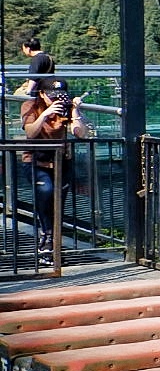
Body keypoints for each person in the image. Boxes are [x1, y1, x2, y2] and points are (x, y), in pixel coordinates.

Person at [21, 78, 93, 262]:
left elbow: (81, 133)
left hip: (61, 162)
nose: (55, 101)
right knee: (46, 192)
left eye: (59, 97)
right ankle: (47, 237)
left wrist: (75, 110)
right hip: (36, 162)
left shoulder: (66, 107)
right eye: (51, 97)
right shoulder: (30, 105)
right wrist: (45, 114)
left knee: (58, 203)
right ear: (42, 94)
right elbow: (30, 132)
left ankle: (52, 244)